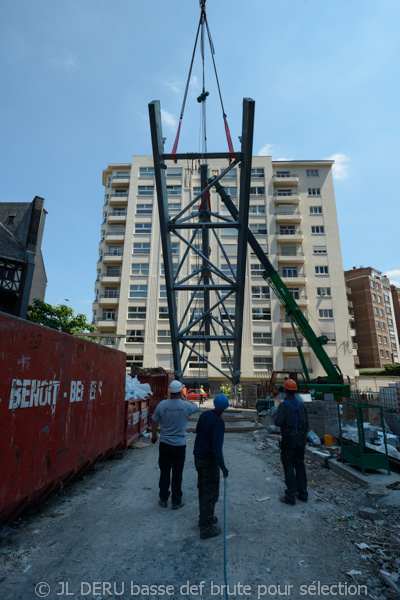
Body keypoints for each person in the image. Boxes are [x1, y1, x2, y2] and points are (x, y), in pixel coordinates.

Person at [151, 380, 198, 509]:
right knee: (177, 472)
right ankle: (176, 501)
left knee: (164, 471)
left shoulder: (162, 404)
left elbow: (154, 421)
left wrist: (154, 436)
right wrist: (184, 398)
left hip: (165, 443)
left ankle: (163, 499)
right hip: (179, 445)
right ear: (180, 392)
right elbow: (196, 407)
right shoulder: (185, 406)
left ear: (170, 392)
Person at [193, 393, 229, 539]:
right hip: (209, 461)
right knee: (210, 493)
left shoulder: (205, 415)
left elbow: (198, 431)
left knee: (203, 489)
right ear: (225, 408)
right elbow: (216, 447)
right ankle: (206, 529)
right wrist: (223, 466)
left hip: (198, 458)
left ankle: (205, 517)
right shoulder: (219, 423)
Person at [274, 379, 309, 506]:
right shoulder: (302, 405)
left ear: (285, 391)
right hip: (300, 439)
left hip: (289, 439)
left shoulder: (284, 405)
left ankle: (290, 496)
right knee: (300, 465)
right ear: (295, 391)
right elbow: (306, 424)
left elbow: (278, 422)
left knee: (288, 466)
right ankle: (303, 493)